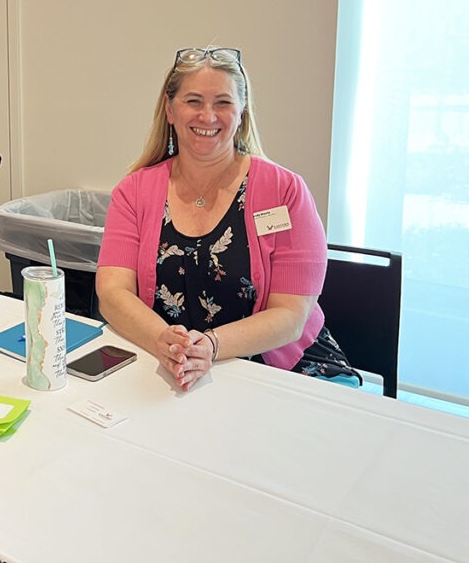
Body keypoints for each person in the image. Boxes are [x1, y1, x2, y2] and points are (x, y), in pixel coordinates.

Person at [96, 47, 359, 392]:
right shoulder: (133, 192)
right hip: (174, 366)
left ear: (242, 112)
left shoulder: (285, 191)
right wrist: (163, 340)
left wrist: (212, 346)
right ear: (170, 109)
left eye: (223, 102)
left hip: (284, 367)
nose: (208, 116)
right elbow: (113, 291)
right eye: (193, 101)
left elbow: (292, 315)